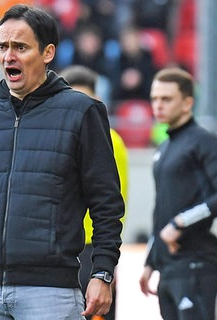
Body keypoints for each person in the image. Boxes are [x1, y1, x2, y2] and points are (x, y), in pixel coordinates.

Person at [0, 4, 124, 320]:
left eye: (20, 47)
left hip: (50, 292)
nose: (8, 56)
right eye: (3, 47)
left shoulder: (82, 112)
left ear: (47, 53)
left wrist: (102, 273)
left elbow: (107, 204)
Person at [138, 67, 217, 320]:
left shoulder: (204, 142)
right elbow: (161, 207)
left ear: (187, 103)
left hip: (197, 262)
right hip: (169, 265)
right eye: (154, 98)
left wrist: (180, 222)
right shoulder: (164, 149)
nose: (158, 105)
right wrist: (151, 260)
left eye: (166, 99)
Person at [59, 64, 128, 320]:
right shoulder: (57, 139)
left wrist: (107, 260)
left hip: (90, 250)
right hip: (59, 251)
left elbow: (116, 203)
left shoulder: (111, 140)